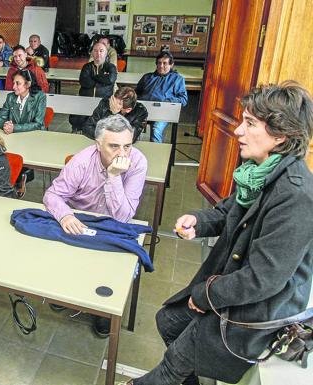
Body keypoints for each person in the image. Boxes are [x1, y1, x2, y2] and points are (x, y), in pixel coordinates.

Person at [127, 82, 313, 385]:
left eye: (250, 123)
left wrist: (205, 295)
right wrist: (198, 222)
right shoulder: (258, 171)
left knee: (171, 367)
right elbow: (228, 211)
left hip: (257, 310)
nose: (238, 131)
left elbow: (262, 280)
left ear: (281, 136)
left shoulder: (296, 195)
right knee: (168, 321)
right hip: (234, 290)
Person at [44, 114, 147, 337]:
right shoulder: (81, 161)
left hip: (113, 225)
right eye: (114, 146)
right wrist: (65, 216)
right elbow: (52, 195)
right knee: (71, 258)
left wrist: (114, 177)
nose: (122, 153)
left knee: (111, 268)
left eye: (127, 146)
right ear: (98, 145)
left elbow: (123, 216)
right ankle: (70, 295)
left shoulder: (138, 162)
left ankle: (103, 311)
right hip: (83, 220)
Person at [135, 51, 188, 143]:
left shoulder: (177, 79)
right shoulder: (147, 77)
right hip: (144, 109)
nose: (161, 66)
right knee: (129, 127)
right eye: (159, 63)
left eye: (165, 63)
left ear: (171, 65)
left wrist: (167, 101)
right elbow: (136, 93)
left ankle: (156, 155)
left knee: (156, 129)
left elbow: (183, 99)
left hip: (163, 111)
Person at [69, 42, 118, 132]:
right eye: (95, 51)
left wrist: (94, 77)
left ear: (106, 53)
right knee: (77, 121)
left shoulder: (111, 67)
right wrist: (102, 78)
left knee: (101, 127)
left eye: (101, 51)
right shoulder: (87, 67)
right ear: (92, 53)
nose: (98, 53)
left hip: (103, 104)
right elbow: (85, 83)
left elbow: (110, 80)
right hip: (85, 101)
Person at [82, 87, 148, 142]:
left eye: (117, 104)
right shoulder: (105, 103)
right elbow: (87, 128)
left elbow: (130, 138)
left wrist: (115, 115)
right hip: (101, 144)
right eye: (113, 99)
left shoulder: (141, 112)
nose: (111, 104)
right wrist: (108, 137)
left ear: (128, 110)